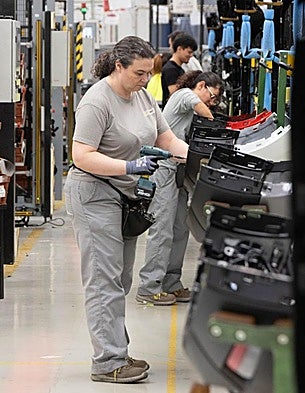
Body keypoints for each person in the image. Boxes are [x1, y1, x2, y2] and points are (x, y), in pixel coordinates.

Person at [64, 36, 190, 384]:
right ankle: (108, 361)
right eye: (138, 73)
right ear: (118, 66)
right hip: (94, 194)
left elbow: (165, 138)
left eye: (148, 73)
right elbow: (81, 155)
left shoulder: (144, 96)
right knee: (104, 279)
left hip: (125, 198)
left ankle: (115, 347)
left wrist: (194, 156)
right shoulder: (97, 101)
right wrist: (130, 167)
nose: (143, 79)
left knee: (120, 279)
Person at [137, 70, 223, 306]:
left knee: (179, 229)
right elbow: (198, 105)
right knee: (161, 229)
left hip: (180, 171)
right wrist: (213, 117)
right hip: (164, 169)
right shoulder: (184, 94)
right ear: (202, 85)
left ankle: (171, 283)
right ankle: (148, 287)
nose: (212, 103)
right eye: (212, 96)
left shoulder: (189, 101)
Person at [161, 33, 198, 107]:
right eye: (189, 52)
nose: (191, 55)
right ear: (179, 49)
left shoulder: (179, 69)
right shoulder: (171, 69)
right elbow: (176, 94)